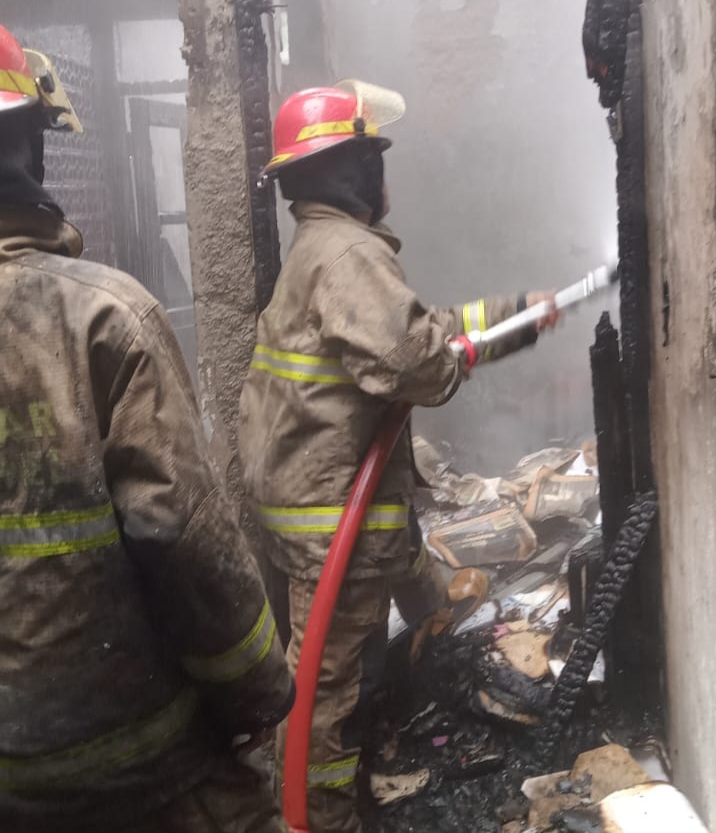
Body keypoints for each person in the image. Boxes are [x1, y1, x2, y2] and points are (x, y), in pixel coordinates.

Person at [0, 0, 294, 833]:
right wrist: (258, 688)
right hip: (137, 777)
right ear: (21, 145)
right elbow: (183, 540)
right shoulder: (100, 317)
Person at [237, 81, 557, 833]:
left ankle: (434, 654)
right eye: (376, 159)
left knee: (416, 583)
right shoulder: (348, 253)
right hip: (333, 517)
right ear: (350, 169)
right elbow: (420, 361)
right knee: (323, 687)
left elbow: (432, 327)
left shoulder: (320, 251)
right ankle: (317, 815)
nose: (385, 178)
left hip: (315, 502)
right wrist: (452, 360)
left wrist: (515, 319)